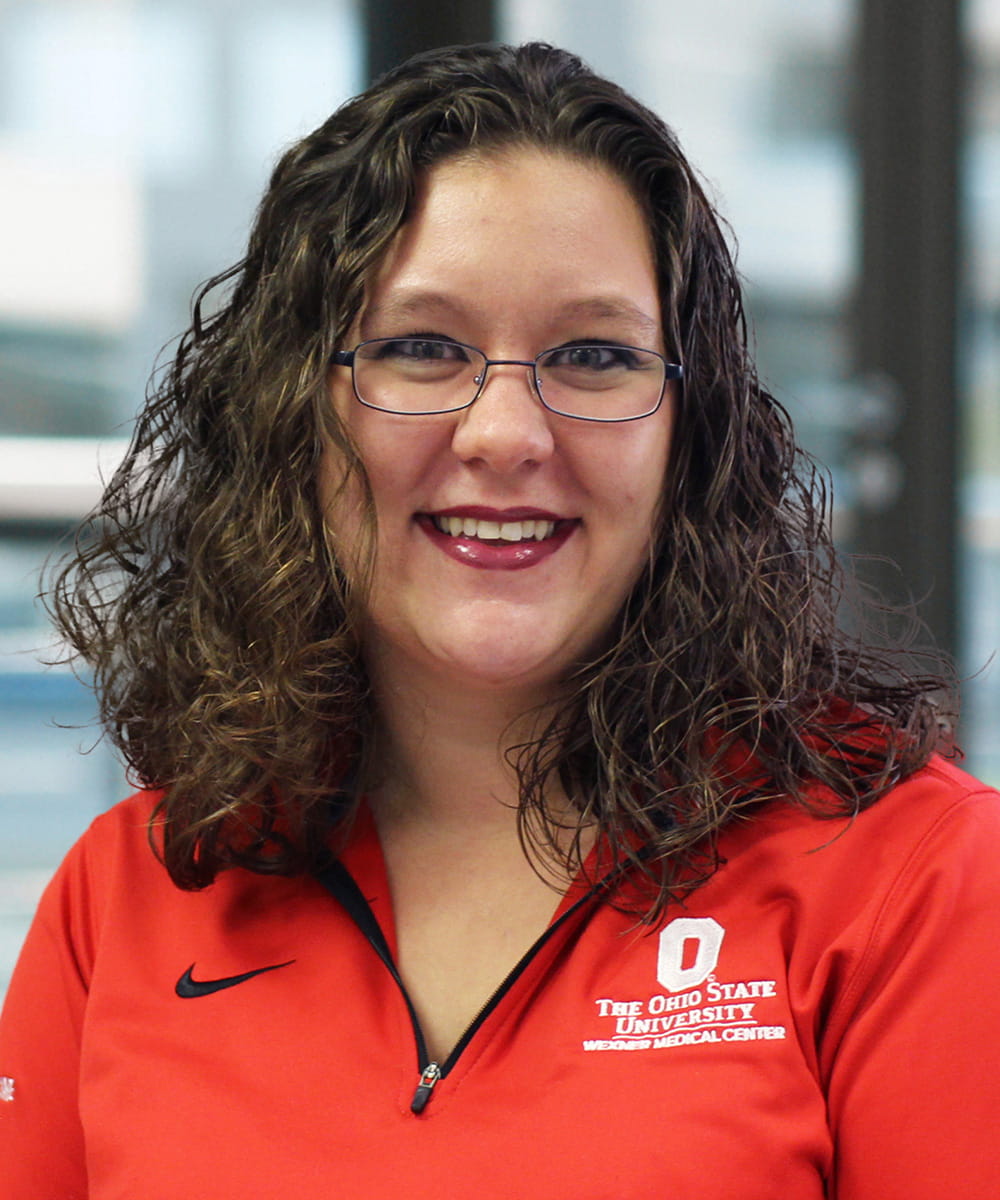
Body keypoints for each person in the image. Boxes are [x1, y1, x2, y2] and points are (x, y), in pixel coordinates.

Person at [1, 41, 998, 1199]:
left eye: (594, 355)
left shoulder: (914, 881)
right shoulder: (129, 892)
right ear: (292, 411)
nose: (506, 435)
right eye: (422, 349)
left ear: (691, 432)